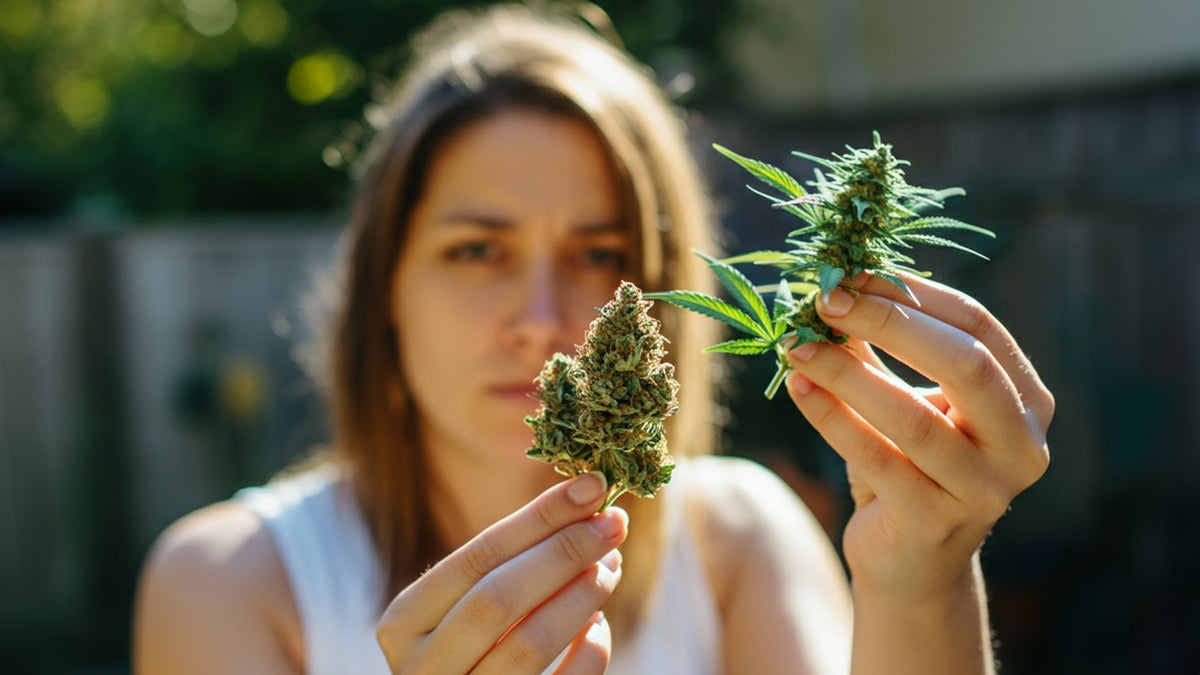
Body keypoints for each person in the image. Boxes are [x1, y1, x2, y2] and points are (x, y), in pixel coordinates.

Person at [132, 3, 1053, 674]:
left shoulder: (741, 539)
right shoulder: (231, 581)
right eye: (477, 249)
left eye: (599, 253)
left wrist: (922, 584)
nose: (540, 316)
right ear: (386, 292)